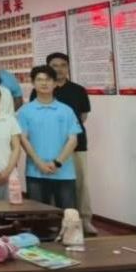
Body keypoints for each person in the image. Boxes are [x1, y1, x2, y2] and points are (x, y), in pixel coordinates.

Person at [44, 52, 95, 233]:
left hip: (77, 144)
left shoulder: (78, 90)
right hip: (51, 145)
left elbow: (83, 116)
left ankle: (84, 219)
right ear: (48, 68)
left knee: (80, 183)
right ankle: (54, 220)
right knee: (53, 184)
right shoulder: (43, 89)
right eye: (54, 65)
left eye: (63, 65)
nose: (59, 69)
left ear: (68, 67)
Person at [18, 65, 79, 210]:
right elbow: (23, 139)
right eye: (39, 79)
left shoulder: (66, 110)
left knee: (67, 214)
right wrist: (39, 163)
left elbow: (73, 140)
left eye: (48, 79)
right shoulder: (25, 111)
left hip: (64, 172)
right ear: (33, 83)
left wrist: (57, 163)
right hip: (35, 171)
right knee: (38, 215)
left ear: (55, 83)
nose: (44, 83)